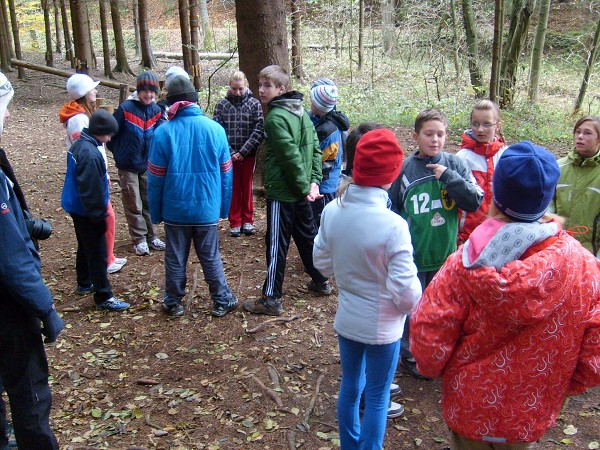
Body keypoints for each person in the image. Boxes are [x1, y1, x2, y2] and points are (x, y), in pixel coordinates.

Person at [410, 141, 600, 449]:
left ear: (496, 194)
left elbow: (429, 333)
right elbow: (595, 349)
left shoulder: (464, 263)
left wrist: (436, 371)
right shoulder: (584, 266)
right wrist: (564, 384)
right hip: (531, 412)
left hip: (470, 407)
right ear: (548, 197)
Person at [314, 127, 422, 449]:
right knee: (376, 396)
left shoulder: (333, 210)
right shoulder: (393, 225)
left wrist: (347, 276)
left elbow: (322, 262)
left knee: (349, 388)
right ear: (392, 173)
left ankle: (350, 445)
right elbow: (406, 293)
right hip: (385, 328)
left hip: (347, 320)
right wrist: (408, 303)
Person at [389, 108, 483, 378]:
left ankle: (437, 351)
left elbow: (473, 202)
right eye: (428, 134)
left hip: (445, 255)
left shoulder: (455, 165)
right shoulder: (405, 169)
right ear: (416, 136)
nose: (435, 140)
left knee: (441, 309)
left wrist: (448, 178)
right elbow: (393, 209)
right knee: (412, 308)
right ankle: (409, 353)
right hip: (414, 254)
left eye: (440, 134)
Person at [0, 70, 64, 450]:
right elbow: (10, 262)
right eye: (4, 108)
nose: (8, 116)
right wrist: (46, 309)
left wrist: (23, 223)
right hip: (8, 311)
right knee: (29, 394)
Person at [243, 65, 331, 317]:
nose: (261, 90)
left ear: (282, 89)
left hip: (284, 193)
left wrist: (308, 185)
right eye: (260, 84)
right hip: (301, 191)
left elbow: (292, 156)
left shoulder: (276, 118)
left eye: (267, 85)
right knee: (307, 236)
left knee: (276, 244)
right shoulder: (300, 112)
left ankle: (271, 298)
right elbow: (313, 149)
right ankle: (320, 280)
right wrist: (313, 183)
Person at [148, 76, 238, 318]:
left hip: (174, 209)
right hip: (206, 208)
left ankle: (172, 302)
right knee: (210, 256)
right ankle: (221, 300)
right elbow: (226, 176)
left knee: (175, 257)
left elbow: (155, 179)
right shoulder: (215, 129)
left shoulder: (162, 133)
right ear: (195, 101)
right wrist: (222, 209)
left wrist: (155, 213)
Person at [61, 109, 130, 311]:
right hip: (87, 210)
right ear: (99, 131)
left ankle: (84, 282)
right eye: (108, 134)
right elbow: (92, 190)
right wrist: (99, 217)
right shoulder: (90, 154)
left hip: (77, 207)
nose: (109, 139)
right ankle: (104, 295)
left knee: (85, 245)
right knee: (99, 252)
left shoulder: (82, 144)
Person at [59, 73, 127, 274]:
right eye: (92, 89)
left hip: (98, 173)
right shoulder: (79, 119)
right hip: (92, 176)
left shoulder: (84, 113)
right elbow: (88, 152)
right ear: (83, 93)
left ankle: (108, 256)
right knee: (106, 218)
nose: (95, 92)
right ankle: (105, 260)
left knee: (107, 218)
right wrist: (102, 174)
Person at [107, 71, 166, 256]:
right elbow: (110, 136)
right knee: (134, 202)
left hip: (148, 165)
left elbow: (161, 136)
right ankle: (139, 239)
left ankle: (152, 235)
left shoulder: (157, 111)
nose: (148, 95)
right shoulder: (125, 109)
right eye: (145, 91)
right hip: (128, 165)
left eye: (152, 92)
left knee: (148, 200)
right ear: (138, 90)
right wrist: (120, 153)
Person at [213, 70, 265, 237]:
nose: (237, 92)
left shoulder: (254, 104)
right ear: (230, 87)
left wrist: (243, 151)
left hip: (248, 154)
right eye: (234, 88)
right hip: (228, 155)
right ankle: (235, 221)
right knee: (233, 187)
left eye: (240, 88)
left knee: (247, 186)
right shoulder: (222, 105)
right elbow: (218, 131)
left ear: (246, 86)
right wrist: (230, 152)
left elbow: (258, 129)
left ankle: (248, 220)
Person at [456, 99, 507, 243]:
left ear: (497, 126)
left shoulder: (506, 157)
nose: (480, 129)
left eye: (486, 124)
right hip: (468, 236)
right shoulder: (462, 158)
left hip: (499, 234)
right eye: (475, 124)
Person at [549, 115, 600, 255]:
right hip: (559, 250)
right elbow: (548, 209)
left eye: (587, 133)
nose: (580, 136)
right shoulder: (558, 167)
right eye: (578, 132)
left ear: (599, 139)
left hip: (592, 254)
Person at [308, 78, 350, 228]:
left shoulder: (328, 130)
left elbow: (324, 164)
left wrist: (315, 184)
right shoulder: (320, 119)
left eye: (312, 101)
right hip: (320, 184)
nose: (310, 103)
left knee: (323, 223)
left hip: (325, 186)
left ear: (319, 106)